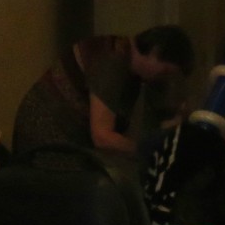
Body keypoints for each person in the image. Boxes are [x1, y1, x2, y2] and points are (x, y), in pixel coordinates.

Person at [11, 26, 193, 156]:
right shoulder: (113, 63)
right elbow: (102, 136)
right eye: (166, 72)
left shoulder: (123, 58)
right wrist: (145, 149)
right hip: (46, 139)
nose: (163, 80)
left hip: (57, 140)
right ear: (155, 52)